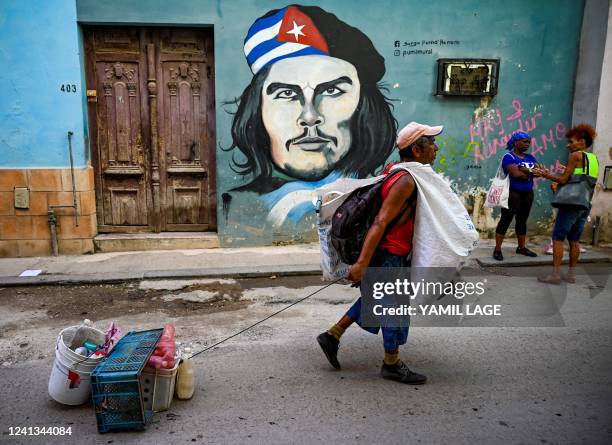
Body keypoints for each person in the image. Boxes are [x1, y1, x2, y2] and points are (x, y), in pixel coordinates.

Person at [225, 5, 397, 226]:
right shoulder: (235, 205)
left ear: (365, 107)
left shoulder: (378, 196)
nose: (309, 116)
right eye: (286, 93)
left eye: (331, 91)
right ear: (257, 111)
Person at [317, 122, 444, 385]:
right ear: (417, 151)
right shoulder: (406, 180)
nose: (436, 147)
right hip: (389, 253)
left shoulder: (394, 170)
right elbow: (381, 222)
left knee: (375, 297)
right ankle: (391, 363)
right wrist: (362, 262)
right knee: (392, 308)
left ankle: (333, 334)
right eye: (431, 142)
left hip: (389, 251)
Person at [534, 124, 599, 284]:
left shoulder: (576, 156)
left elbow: (563, 179)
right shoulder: (593, 159)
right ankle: (571, 275)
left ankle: (555, 275)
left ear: (582, 142)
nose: (568, 145)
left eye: (571, 141)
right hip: (585, 204)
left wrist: (545, 174)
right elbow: (582, 179)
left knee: (557, 238)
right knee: (574, 240)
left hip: (571, 204)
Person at [492, 131, 540, 261]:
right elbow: (516, 174)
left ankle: (521, 248)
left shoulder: (530, 157)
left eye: (529, 142)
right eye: (524, 141)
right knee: (506, 219)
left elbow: (540, 171)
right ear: (515, 142)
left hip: (528, 193)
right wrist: (530, 172)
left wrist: (525, 171)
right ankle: (497, 249)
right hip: (513, 193)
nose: (527, 144)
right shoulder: (509, 157)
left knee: (522, 220)